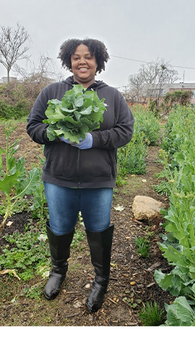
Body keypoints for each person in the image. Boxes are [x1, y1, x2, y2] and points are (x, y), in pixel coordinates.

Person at [26, 38, 134, 313]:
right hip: (59, 178)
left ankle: (100, 280)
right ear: (68, 61)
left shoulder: (112, 96)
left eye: (88, 57)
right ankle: (58, 272)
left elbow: (125, 131)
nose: (82, 61)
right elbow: (33, 126)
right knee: (60, 227)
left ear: (98, 61)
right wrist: (52, 133)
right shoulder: (52, 91)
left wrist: (93, 140)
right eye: (76, 57)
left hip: (98, 180)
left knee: (98, 230)